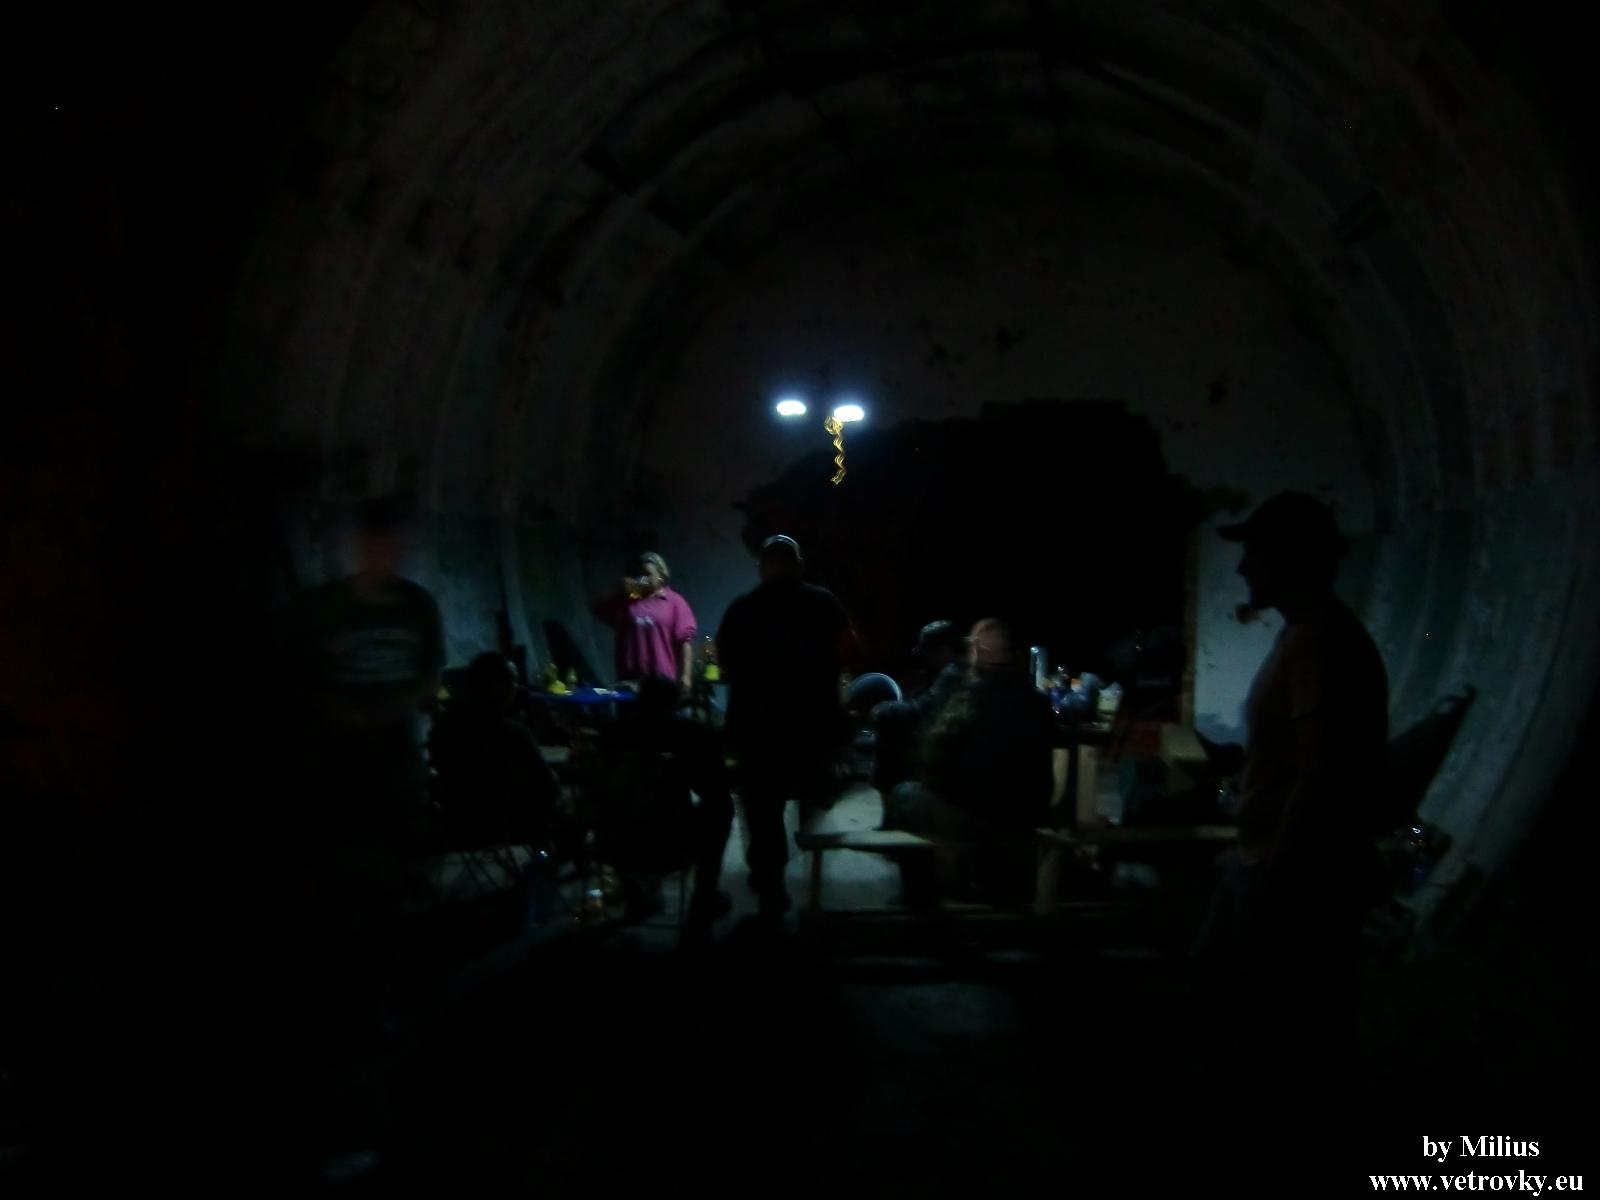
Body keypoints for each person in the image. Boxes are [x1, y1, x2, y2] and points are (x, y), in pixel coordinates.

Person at [1191, 490, 1389, 1136]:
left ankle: (1286, 1146)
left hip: (1296, 869)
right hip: (1276, 859)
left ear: (1290, 558)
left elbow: (1323, 770)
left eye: (1254, 551)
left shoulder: (1317, 642)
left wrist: (1274, 869)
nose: (1243, 566)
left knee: (1276, 1024)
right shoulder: (1309, 634)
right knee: (1280, 1020)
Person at [716, 534, 855, 926]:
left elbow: (724, 661)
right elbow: (849, 651)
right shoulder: (824, 603)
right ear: (799, 565)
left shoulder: (741, 608)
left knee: (762, 810)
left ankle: (770, 888)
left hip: (757, 728)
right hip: (813, 726)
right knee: (816, 798)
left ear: (762, 567)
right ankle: (816, 882)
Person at [880, 617, 1055, 903]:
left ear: (979, 651)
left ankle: (919, 896)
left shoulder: (965, 700)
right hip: (1029, 814)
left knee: (905, 795)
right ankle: (982, 877)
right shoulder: (1039, 702)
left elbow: (935, 762)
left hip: (982, 820)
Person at [592, 676, 735, 943]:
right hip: (671, 845)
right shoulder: (689, 733)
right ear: (675, 702)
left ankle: (636, 897)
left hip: (613, 845)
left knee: (623, 809)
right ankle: (704, 899)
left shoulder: (612, 732)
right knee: (720, 807)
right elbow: (713, 786)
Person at [428, 652, 559, 848]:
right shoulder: (513, 734)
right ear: (497, 686)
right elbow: (548, 788)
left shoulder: (442, 729)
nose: (517, 687)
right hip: (512, 827)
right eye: (513, 681)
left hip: (459, 826)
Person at [869, 619, 969, 794]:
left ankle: (891, 794)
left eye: (928, 651)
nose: (923, 656)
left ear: (945, 651)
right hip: (947, 735)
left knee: (889, 728)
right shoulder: (951, 669)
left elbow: (923, 710)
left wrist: (885, 709)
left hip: (950, 744)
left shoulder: (954, 673)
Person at [590, 551, 698, 692]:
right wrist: (617, 589)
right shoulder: (627, 600)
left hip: (661, 681)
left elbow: (685, 641)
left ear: (660, 576)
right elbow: (597, 609)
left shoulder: (675, 602)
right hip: (629, 679)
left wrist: (685, 675)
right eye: (640, 574)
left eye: (648, 574)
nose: (643, 578)